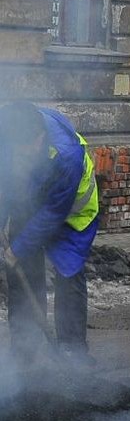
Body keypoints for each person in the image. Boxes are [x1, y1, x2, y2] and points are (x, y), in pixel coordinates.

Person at [0, 102, 99, 363]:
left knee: (68, 272)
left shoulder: (68, 155)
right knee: (21, 270)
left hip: (71, 213)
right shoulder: (8, 129)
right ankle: (25, 346)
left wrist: (17, 248)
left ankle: (72, 348)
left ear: (39, 139)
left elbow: (53, 213)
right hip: (30, 202)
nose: (21, 159)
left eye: (26, 154)